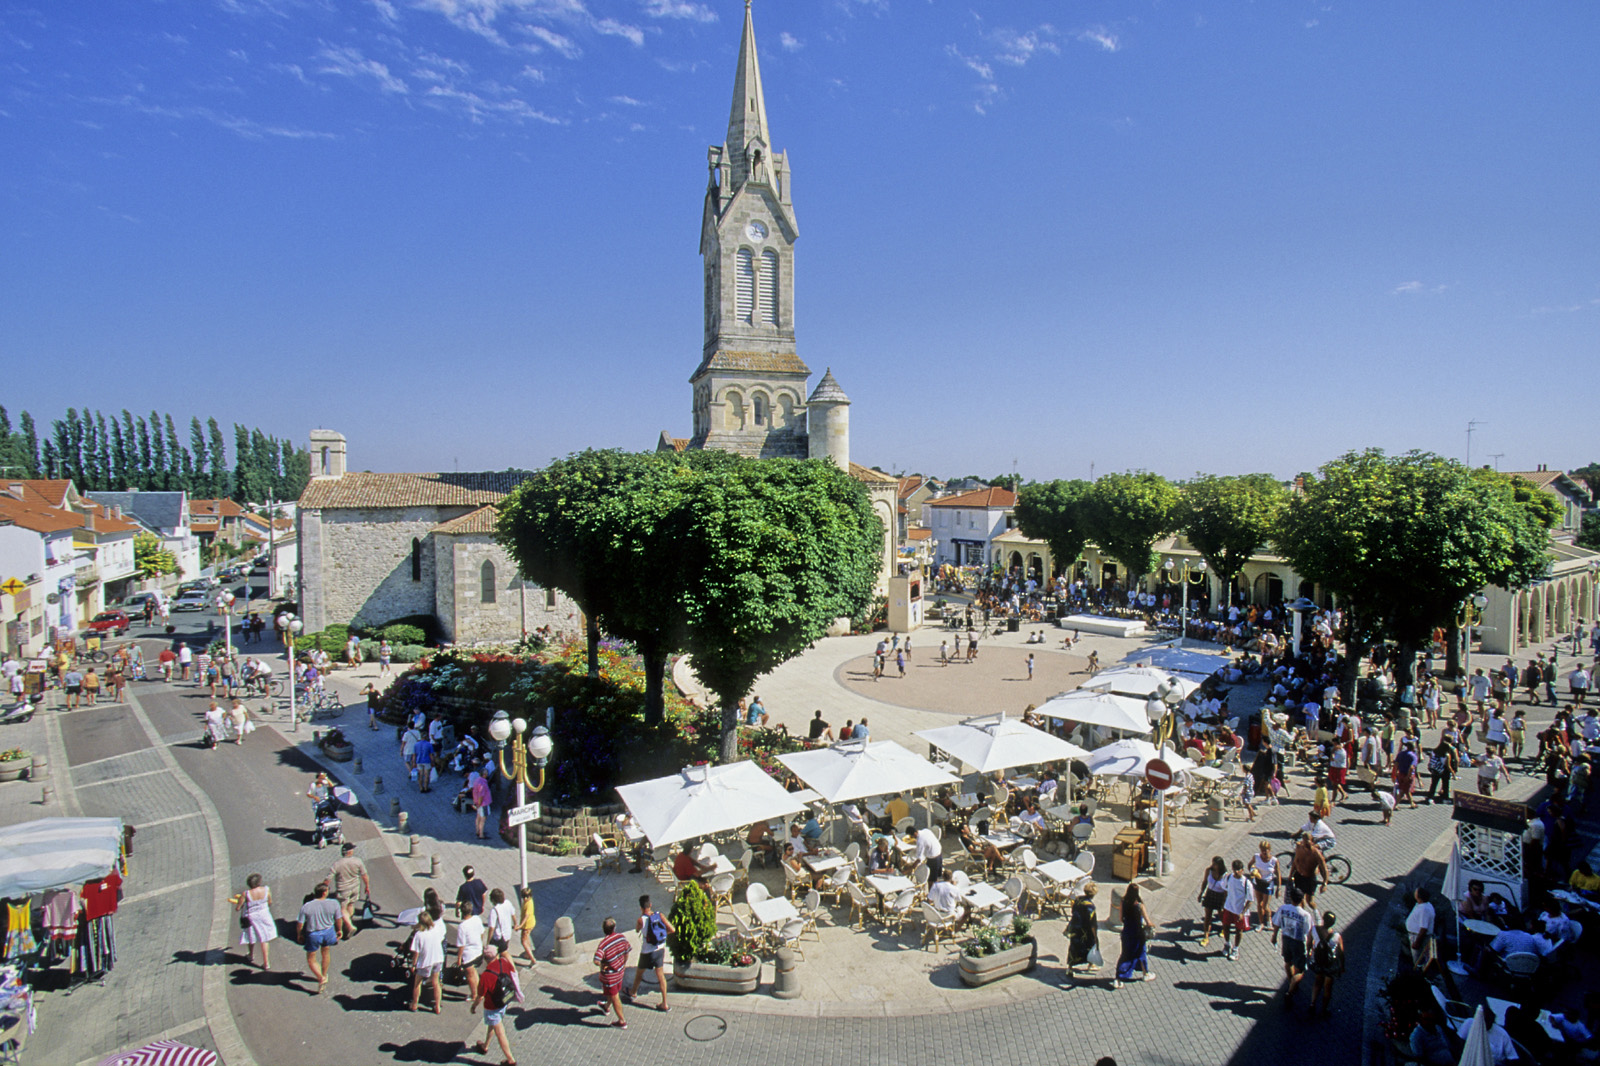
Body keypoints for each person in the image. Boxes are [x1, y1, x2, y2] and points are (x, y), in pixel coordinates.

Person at [470, 944, 521, 1064]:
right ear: (497, 955)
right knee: (492, 1025)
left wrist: (473, 1006)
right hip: (504, 1000)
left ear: (485, 959)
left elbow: (480, 996)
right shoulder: (504, 962)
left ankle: (510, 1060)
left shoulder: (486, 976)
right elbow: (513, 973)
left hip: (492, 1006)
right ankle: (485, 1046)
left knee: (500, 1032)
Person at [626, 894, 673, 1012]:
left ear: (641, 907)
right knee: (661, 976)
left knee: (639, 973)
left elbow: (637, 930)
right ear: (650, 904)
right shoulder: (660, 915)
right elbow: (672, 929)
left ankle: (633, 992)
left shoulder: (640, 920)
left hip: (647, 952)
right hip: (659, 950)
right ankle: (665, 1003)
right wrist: (661, 936)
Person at [1270, 885, 1314, 1010]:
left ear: (1290, 897)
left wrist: (1274, 936)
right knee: (1300, 970)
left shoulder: (1283, 908)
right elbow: (1308, 932)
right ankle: (1290, 990)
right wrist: (1309, 948)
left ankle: (1291, 982)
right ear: (1302, 898)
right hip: (1299, 942)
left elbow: (1277, 923)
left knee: (1288, 962)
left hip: (1286, 939)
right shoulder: (1305, 915)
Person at [296, 883, 342, 995]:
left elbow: (300, 924)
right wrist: (339, 930)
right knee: (326, 952)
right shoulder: (334, 903)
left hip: (313, 934)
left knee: (311, 958)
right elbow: (338, 919)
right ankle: (324, 974)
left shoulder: (306, 906)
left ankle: (320, 977)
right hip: (328, 931)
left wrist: (299, 934)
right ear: (324, 892)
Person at [325, 842, 370, 939]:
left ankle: (349, 926)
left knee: (342, 908)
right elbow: (364, 875)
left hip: (343, 889)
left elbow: (328, 878)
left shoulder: (337, 864)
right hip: (355, 887)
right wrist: (367, 886)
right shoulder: (358, 861)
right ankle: (348, 922)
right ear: (349, 852)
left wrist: (324, 888)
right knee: (351, 904)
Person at [1113, 882, 1154, 988]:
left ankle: (1118, 978)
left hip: (1127, 932)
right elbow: (1148, 922)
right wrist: (1151, 925)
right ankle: (1146, 973)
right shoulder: (1139, 905)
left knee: (1125, 954)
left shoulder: (1123, 901)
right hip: (1137, 934)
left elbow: (1121, 918)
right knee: (1141, 953)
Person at [593, 916, 630, 1028]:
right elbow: (627, 951)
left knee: (615, 996)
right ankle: (606, 1007)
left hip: (610, 976)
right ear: (614, 928)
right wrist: (623, 964)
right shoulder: (621, 937)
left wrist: (603, 965)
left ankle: (622, 1021)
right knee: (612, 992)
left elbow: (596, 960)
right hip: (620, 972)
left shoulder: (603, 945)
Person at [235, 873, 276, 970]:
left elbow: (238, 908)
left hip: (251, 917)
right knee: (264, 939)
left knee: (251, 936)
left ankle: (251, 955)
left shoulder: (246, 894)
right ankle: (266, 963)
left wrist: (239, 902)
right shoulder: (266, 889)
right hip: (264, 915)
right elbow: (269, 902)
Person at [408, 909, 447, 1013]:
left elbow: (416, 952)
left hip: (425, 962)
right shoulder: (436, 930)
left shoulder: (419, 935)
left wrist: (413, 964)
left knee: (417, 983)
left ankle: (414, 1004)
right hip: (438, 959)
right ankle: (437, 1006)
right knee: (436, 983)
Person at [1307, 911, 1344, 1015]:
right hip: (1330, 965)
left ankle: (1312, 1003)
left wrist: (1309, 954)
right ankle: (1324, 1009)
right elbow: (1341, 952)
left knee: (1317, 982)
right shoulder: (1336, 936)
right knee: (1328, 987)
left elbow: (1309, 943)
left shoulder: (1314, 929)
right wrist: (1342, 965)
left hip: (1318, 961)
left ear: (1323, 919)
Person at [1064, 881, 1100, 977]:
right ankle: (1091, 964)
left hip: (1076, 929)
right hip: (1086, 932)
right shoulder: (1090, 906)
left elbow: (1073, 912)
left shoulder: (1078, 900)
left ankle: (1070, 968)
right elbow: (1093, 923)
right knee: (1091, 947)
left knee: (1074, 948)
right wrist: (1095, 936)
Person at [455, 901, 486, 1010]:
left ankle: (475, 995)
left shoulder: (462, 926)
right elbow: (482, 932)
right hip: (478, 951)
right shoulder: (477, 919)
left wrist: (459, 958)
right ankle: (479, 992)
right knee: (474, 973)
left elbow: (461, 945)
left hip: (469, 955)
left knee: (470, 976)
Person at [1220, 859, 1253, 961]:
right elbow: (1225, 889)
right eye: (1235, 870)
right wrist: (1224, 904)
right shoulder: (1229, 878)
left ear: (1242, 870)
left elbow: (1250, 900)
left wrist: (1243, 913)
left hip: (1239, 911)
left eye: (1239, 870)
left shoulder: (1246, 883)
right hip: (1228, 908)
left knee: (1239, 931)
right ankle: (1227, 944)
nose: (1237, 872)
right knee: (1226, 927)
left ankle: (1236, 949)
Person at [1289, 833, 1330, 911]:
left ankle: (1316, 914)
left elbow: (1324, 869)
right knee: (1299, 899)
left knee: (1310, 902)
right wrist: (1291, 875)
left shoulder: (1316, 853)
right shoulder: (1299, 848)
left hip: (1309, 879)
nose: (1305, 845)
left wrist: (1325, 883)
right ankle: (1301, 914)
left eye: (1307, 843)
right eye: (1304, 842)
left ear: (1312, 842)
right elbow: (1295, 861)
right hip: (1299, 877)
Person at [1197, 856, 1228, 949]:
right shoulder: (1209, 871)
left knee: (1221, 915)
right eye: (1213, 863)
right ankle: (1206, 936)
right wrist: (1201, 893)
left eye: (1215, 864)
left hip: (1220, 896)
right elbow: (1205, 882)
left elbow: (1226, 890)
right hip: (1210, 894)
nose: (1213, 865)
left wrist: (1224, 902)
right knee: (1208, 916)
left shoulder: (1225, 875)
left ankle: (1224, 928)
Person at [1404, 886, 1436, 974]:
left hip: (1417, 936)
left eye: (1416, 892)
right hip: (1415, 935)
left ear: (1419, 897)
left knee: (1418, 960)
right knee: (1418, 959)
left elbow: (1423, 928)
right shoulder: (1424, 904)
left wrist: (1417, 942)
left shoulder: (1424, 909)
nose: (1414, 893)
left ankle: (1418, 975)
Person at [1250, 840, 1281, 925]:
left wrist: (1279, 887)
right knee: (1259, 905)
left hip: (1268, 884)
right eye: (1262, 850)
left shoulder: (1274, 861)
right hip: (1258, 882)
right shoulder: (1256, 857)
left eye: (1266, 849)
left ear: (1269, 850)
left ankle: (1269, 920)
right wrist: (1253, 871)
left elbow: (1278, 874)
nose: (1264, 852)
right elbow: (1250, 865)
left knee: (1265, 906)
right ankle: (1261, 923)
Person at [485, 887, 515, 954]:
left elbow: (491, 928)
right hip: (507, 933)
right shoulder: (507, 903)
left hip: (499, 936)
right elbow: (513, 914)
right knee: (504, 951)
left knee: (498, 953)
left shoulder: (494, 910)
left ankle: (506, 963)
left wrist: (488, 942)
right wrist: (515, 924)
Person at [515, 885, 537, 966]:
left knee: (523, 941)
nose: (525, 898)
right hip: (530, 923)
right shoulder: (529, 901)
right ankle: (528, 954)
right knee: (526, 938)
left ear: (530, 896)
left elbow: (526, 916)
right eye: (523, 897)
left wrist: (520, 926)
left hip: (527, 925)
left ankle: (532, 959)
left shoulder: (528, 904)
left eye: (526, 897)